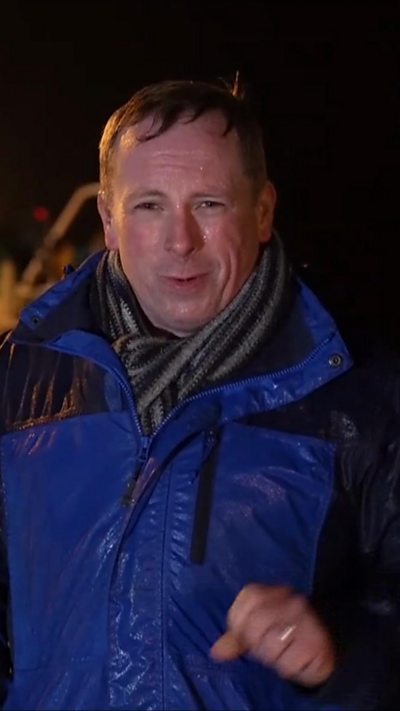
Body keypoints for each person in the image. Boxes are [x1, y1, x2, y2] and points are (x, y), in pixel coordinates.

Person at [0, 79, 399, 711]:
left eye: (209, 204)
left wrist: (341, 655)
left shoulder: (362, 395)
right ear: (108, 219)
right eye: (149, 206)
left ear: (263, 212)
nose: (180, 241)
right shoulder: (19, 376)